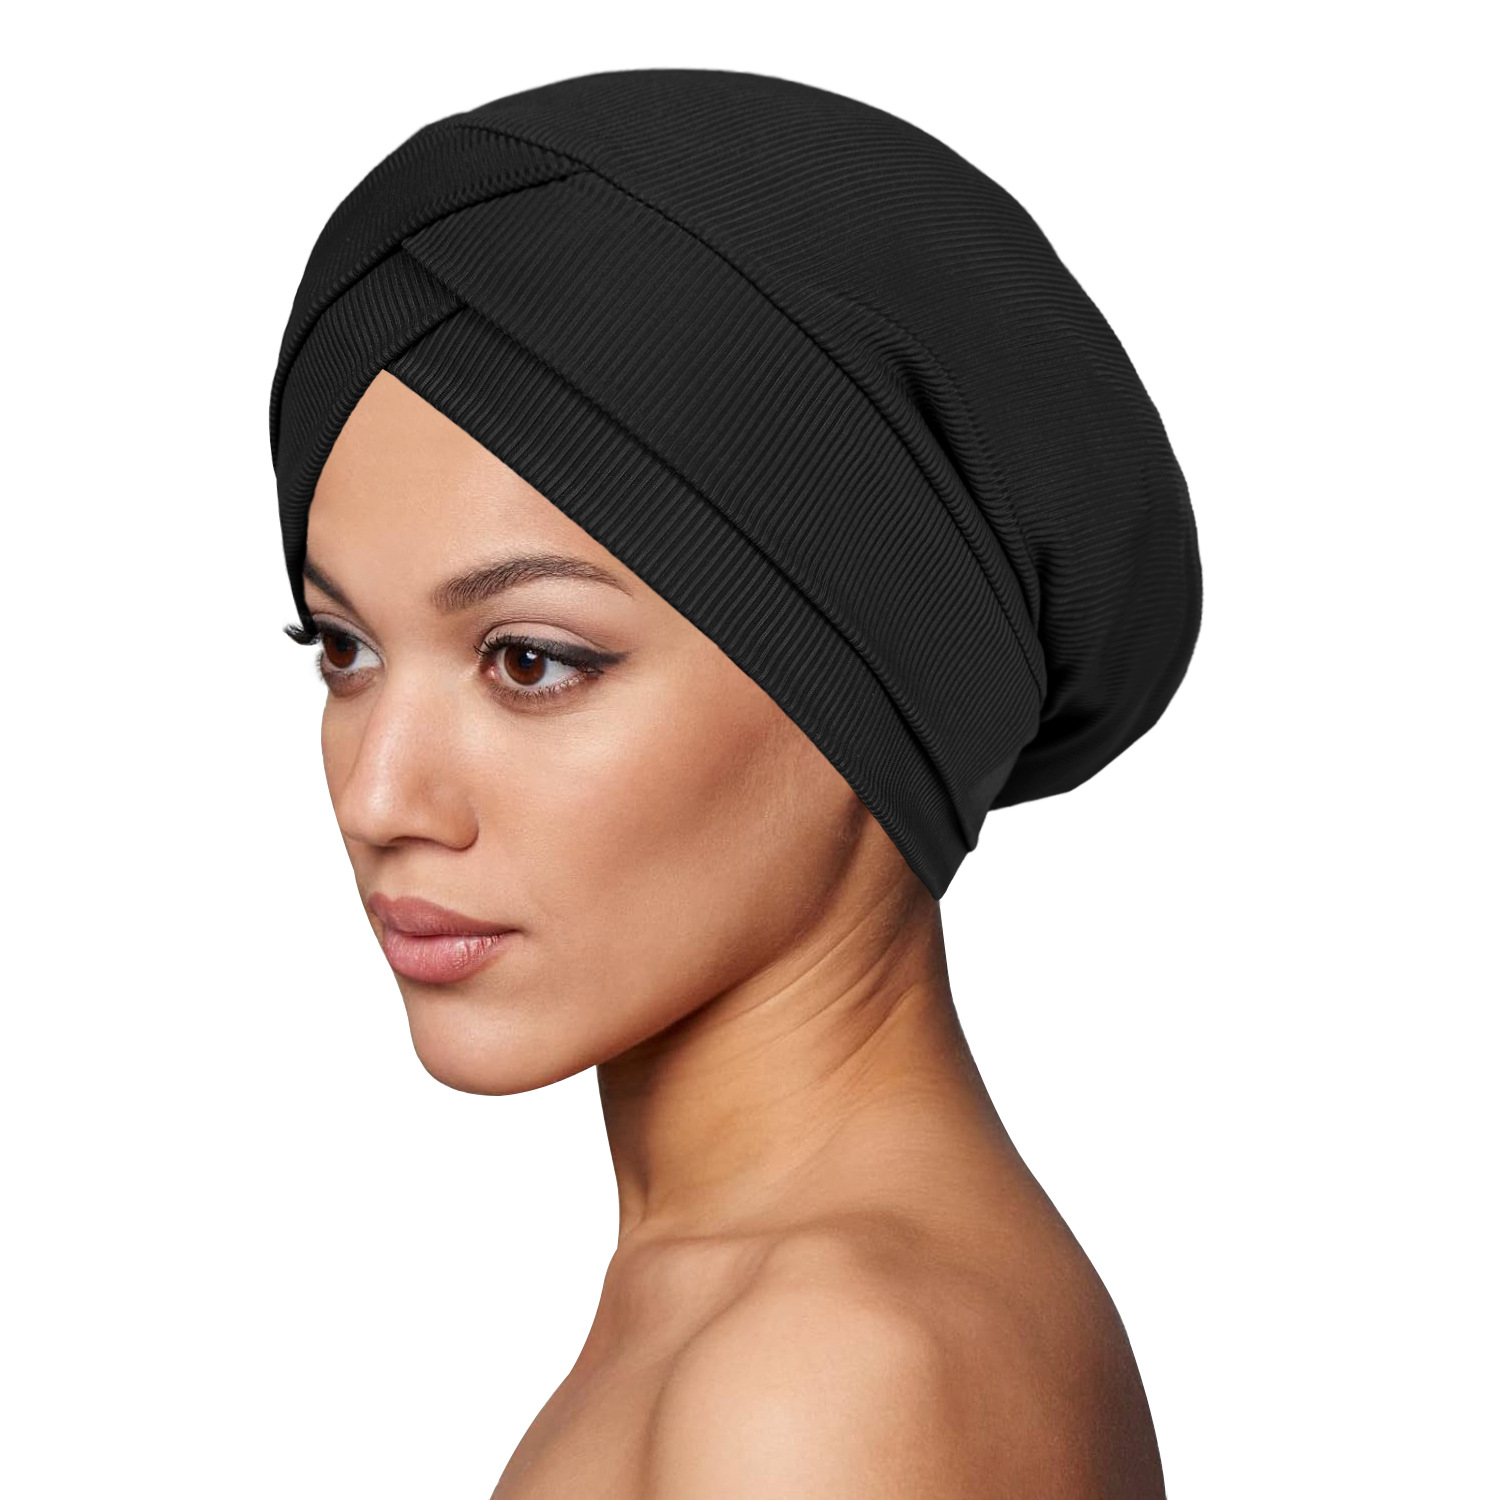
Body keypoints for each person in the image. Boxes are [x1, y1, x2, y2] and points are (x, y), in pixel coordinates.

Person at [272, 68, 1199, 1497]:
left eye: (531, 661)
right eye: (344, 648)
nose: (379, 797)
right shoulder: (748, 1305)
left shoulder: (831, 1376)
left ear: (871, 687)